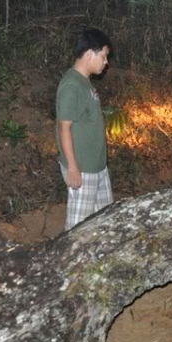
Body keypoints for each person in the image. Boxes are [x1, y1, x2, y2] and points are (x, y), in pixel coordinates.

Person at [56, 28, 113, 230]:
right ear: (90, 54)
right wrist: (72, 167)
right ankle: (67, 262)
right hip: (83, 170)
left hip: (97, 168)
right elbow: (64, 128)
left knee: (105, 223)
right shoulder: (72, 85)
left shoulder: (83, 81)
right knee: (77, 231)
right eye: (104, 56)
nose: (106, 62)